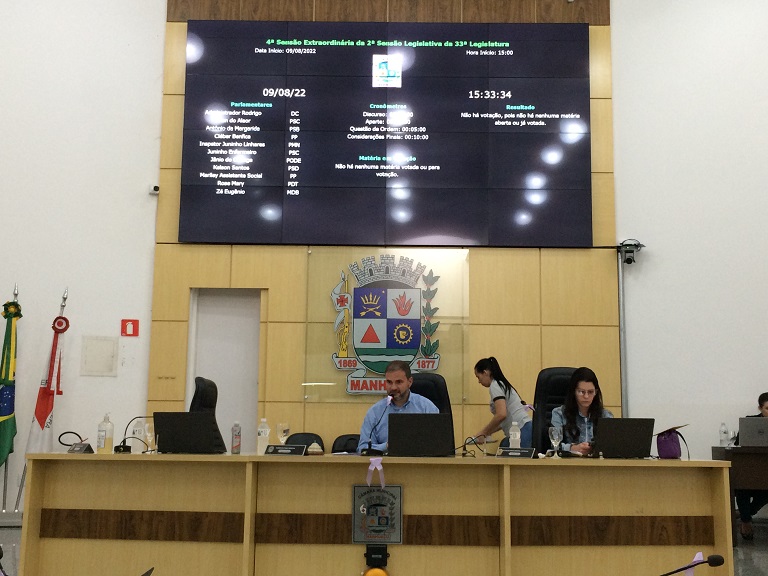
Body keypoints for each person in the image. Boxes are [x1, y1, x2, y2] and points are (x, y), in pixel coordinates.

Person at [357, 360, 438, 454]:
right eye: (389, 382)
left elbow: (438, 444)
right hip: (385, 463)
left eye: (399, 382)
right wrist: (388, 446)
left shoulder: (427, 408)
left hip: (420, 462)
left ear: (410, 382)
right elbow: (362, 448)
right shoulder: (375, 412)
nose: (393, 387)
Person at [550, 367, 613, 455]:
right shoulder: (559, 414)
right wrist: (572, 448)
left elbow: (610, 446)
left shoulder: (605, 415)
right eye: (581, 392)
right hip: (569, 462)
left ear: (596, 392)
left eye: (590, 392)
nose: (586, 396)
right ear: (574, 392)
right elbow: (554, 445)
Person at [472, 357, 532, 448]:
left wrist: (483, 432)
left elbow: (501, 415)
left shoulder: (495, 386)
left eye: (478, 377)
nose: (479, 381)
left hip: (522, 431)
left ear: (485, 372)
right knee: (504, 445)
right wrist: (487, 433)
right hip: (525, 429)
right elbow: (503, 420)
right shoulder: (501, 384)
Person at [735, 392, 768, 540]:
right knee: (741, 486)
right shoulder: (750, 423)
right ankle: (746, 521)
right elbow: (738, 444)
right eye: (767, 409)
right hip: (751, 470)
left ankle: (745, 515)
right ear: (760, 408)